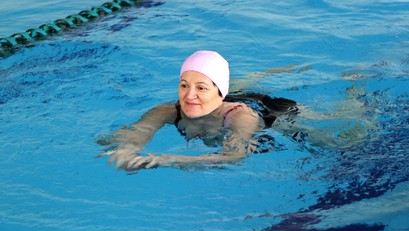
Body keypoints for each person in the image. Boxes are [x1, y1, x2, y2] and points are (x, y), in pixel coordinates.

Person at [98, 50, 297, 171]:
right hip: (224, 96)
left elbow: (234, 157)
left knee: (315, 134)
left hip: (274, 111)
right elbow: (138, 131)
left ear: (219, 93)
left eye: (200, 88)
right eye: (184, 85)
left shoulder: (241, 117)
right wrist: (126, 148)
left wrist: (167, 159)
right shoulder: (168, 110)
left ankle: (281, 71)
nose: (189, 95)